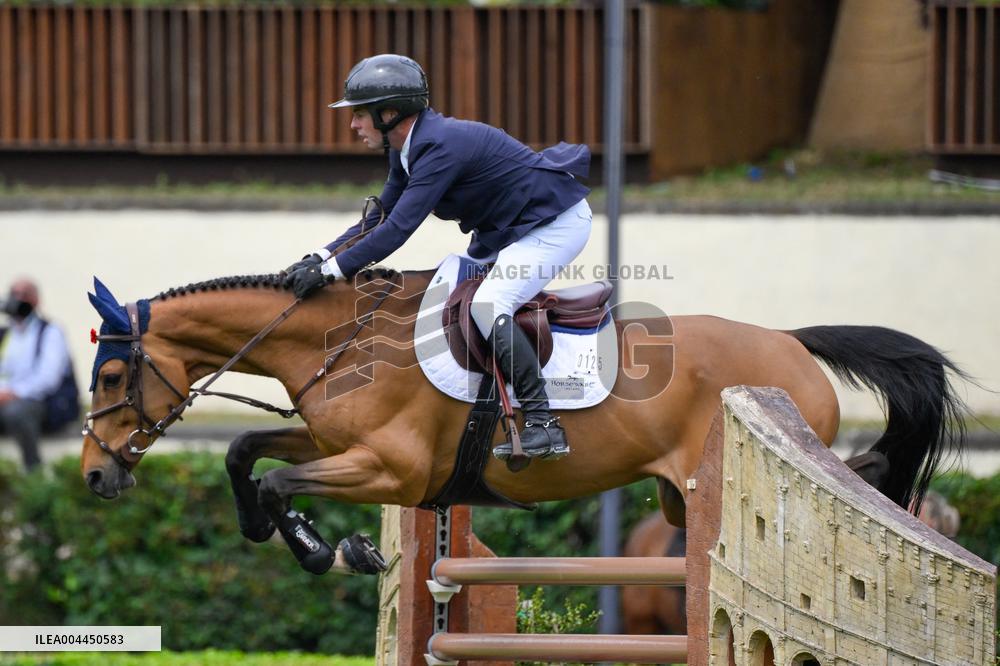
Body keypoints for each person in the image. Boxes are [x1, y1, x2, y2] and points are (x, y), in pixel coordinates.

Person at [282, 54, 593, 462]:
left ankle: (543, 424)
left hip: (554, 226)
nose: (353, 125)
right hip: (512, 231)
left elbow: (397, 231)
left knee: (488, 303)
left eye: (359, 115)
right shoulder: (405, 147)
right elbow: (380, 215)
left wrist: (332, 272)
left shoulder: (440, 148)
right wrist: (319, 257)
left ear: (389, 114)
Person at [0, 279, 73, 470]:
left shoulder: (50, 331)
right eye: (13, 294)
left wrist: (12, 393)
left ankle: (33, 471)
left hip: (41, 403)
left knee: (16, 412)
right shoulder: (6, 334)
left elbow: (48, 378)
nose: (16, 300)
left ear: (35, 300)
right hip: (5, 399)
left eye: (23, 295)